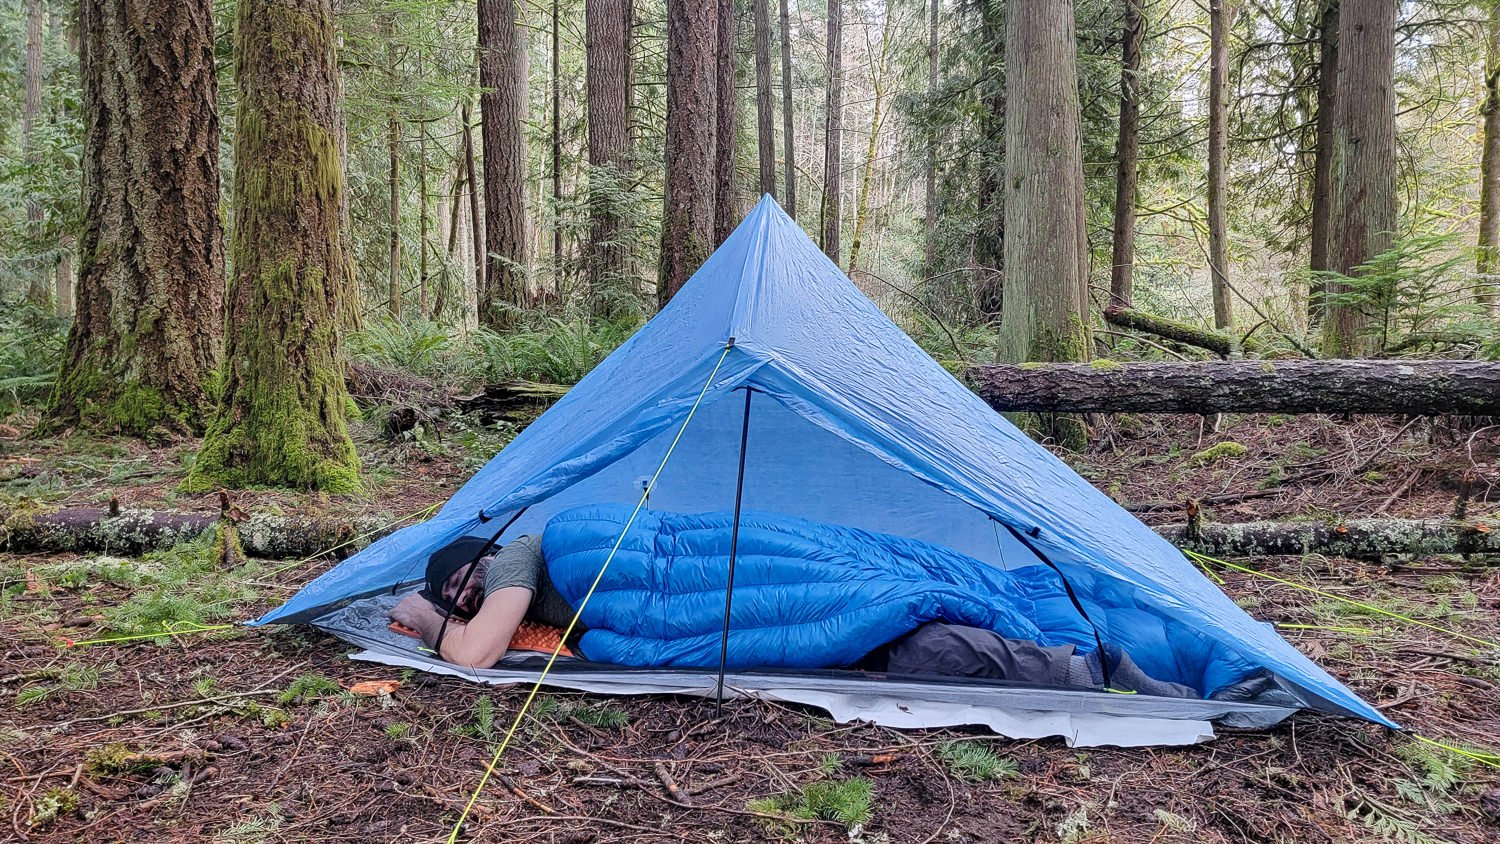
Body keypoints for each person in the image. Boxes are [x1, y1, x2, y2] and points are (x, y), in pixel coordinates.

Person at [389, 532, 1199, 698]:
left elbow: (478, 654)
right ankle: (1091, 665)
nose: (466, 601)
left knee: (921, 644)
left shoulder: (525, 555)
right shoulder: (537, 584)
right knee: (912, 642)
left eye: (461, 586)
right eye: (452, 598)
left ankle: (1101, 672)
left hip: (788, 578)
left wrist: (431, 624)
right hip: (729, 595)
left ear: (480, 561)